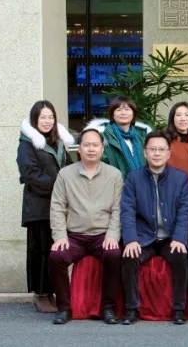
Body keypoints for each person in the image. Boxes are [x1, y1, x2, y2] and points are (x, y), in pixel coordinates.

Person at [47, 128, 123, 325]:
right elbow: (57, 207)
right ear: (78, 149)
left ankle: (108, 307)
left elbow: (118, 209)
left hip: (102, 235)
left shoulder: (114, 175)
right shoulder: (65, 174)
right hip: (75, 236)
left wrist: (112, 235)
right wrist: (60, 237)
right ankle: (64, 308)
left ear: (102, 149)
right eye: (86, 145)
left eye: (95, 145)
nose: (91, 149)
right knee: (56, 258)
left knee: (114, 255)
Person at [119, 130, 188, 325]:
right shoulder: (133, 178)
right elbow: (127, 212)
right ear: (145, 153)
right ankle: (132, 309)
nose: (157, 153)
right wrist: (131, 239)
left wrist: (179, 238)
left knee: (181, 256)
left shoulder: (181, 179)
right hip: (144, 237)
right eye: (152, 149)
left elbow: (185, 212)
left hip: (170, 237)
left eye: (161, 149)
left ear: (168, 153)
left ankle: (178, 309)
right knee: (129, 257)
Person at [17, 100, 75, 314]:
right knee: (40, 252)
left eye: (51, 117)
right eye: (43, 117)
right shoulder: (27, 143)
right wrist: (58, 186)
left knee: (55, 251)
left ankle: (52, 292)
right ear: (35, 119)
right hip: (38, 207)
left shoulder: (57, 142)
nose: (47, 121)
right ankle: (40, 294)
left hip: (58, 206)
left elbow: (68, 169)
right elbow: (29, 173)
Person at [85, 96, 152, 179]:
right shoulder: (103, 136)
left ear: (133, 114)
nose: (123, 113)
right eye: (119, 110)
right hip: (114, 184)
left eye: (127, 109)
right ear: (112, 114)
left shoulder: (142, 136)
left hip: (141, 184)